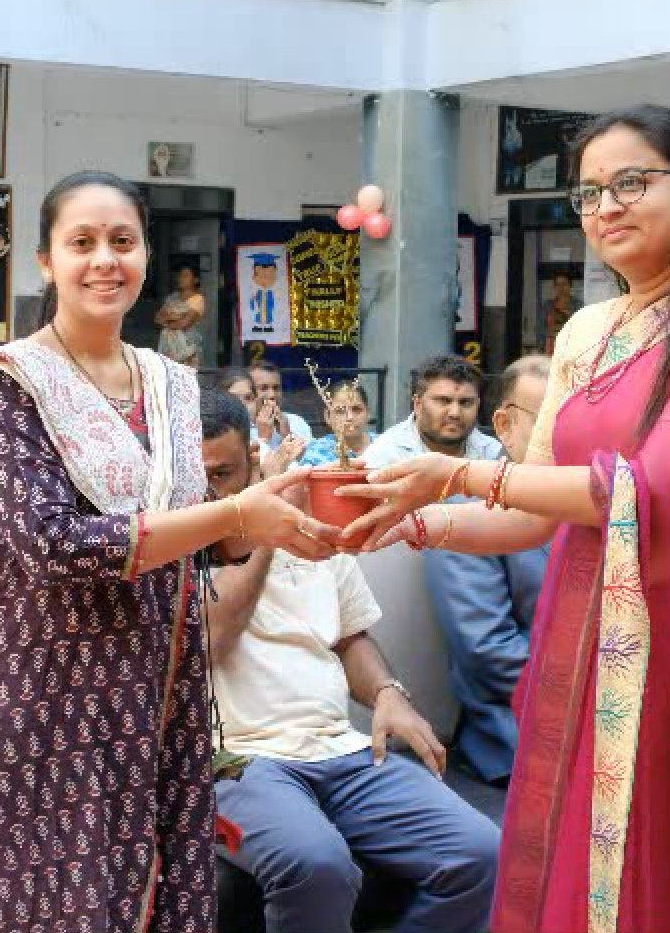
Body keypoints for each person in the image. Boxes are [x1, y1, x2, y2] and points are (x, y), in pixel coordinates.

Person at [341, 104, 670, 932]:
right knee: (590, 868)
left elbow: (650, 488)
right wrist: (409, 520)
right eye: (590, 193)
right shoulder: (587, 330)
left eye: (631, 183)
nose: (606, 208)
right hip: (590, 642)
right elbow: (531, 510)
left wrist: (455, 473)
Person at [0, 171, 338, 933]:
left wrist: (277, 517)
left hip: (151, 704)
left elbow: (194, 538)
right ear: (45, 260)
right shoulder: (13, 385)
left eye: (122, 241)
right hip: (32, 712)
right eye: (82, 242)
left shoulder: (171, 385)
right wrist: (233, 512)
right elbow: (54, 546)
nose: (104, 260)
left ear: (146, 255)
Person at [202, 389, 500, 933]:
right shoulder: (172, 541)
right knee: (318, 865)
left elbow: (349, 638)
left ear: (252, 458)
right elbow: (213, 639)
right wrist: (265, 531)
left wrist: (387, 692)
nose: (210, 491)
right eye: (199, 475)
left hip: (341, 750)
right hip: (238, 761)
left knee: (481, 854)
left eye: (223, 474)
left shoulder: (313, 534)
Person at [421, 355, 550, 785]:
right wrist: (599, 682)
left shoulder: (597, 503)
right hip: (523, 735)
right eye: (548, 418)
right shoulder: (465, 515)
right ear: (504, 426)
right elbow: (488, 652)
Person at [360, 355, 503, 469]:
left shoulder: (495, 455)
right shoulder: (385, 456)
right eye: (444, 401)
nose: (455, 413)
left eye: (465, 402)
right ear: (417, 405)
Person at [298, 380, 376, 468]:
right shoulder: (315, 454)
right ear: (328, 416)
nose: (349, 417)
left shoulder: (383, 445)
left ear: (368, 413)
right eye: (340, 411)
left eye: (356, 409)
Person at [155, 264, 207, 367]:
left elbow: (184, 323)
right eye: (180, 275)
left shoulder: (198, 299)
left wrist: (167, 320)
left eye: (185, 276)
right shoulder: (171, 297)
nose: (181, 279)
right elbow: (157, 319)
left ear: (195, 280)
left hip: (187, 349)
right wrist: (176, 318)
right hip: (167, 348)